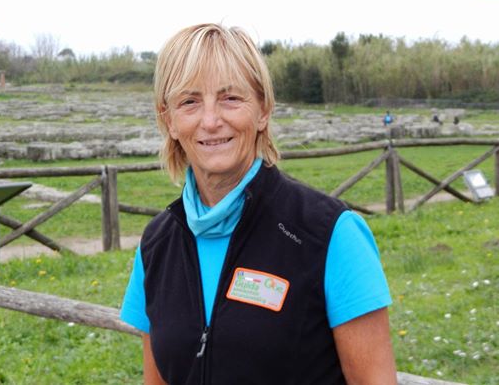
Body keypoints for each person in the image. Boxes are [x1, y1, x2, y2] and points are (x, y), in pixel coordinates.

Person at [120, 23, 397, 385]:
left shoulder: (332, 235)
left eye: (230, 98)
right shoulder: (156, 244)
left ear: (263, 110)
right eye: (189, 102)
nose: (210, 121)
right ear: (168, 120)